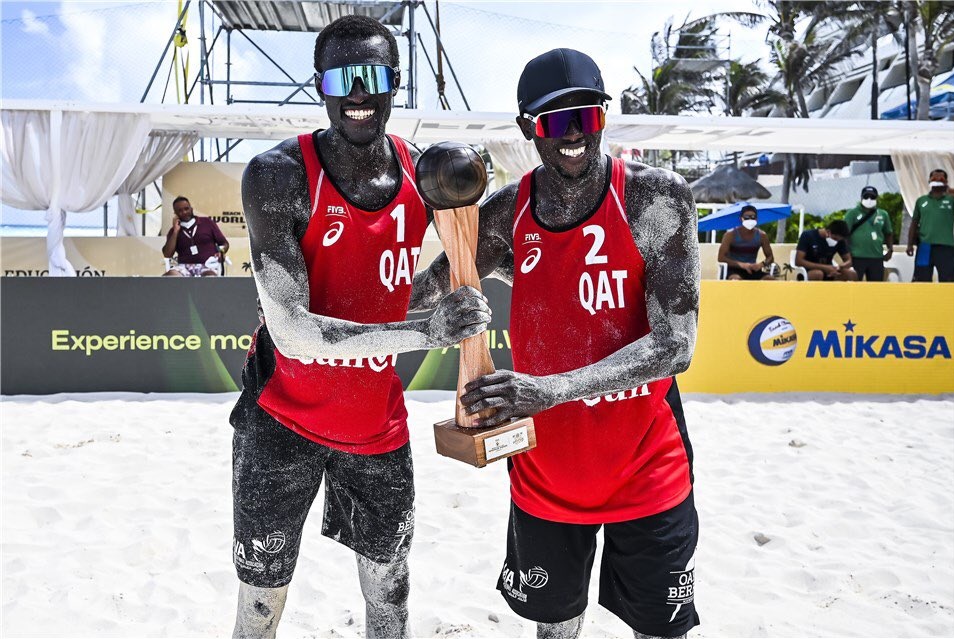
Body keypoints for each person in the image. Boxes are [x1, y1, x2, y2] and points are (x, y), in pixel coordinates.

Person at [412, 48, 700, 639]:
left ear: (604, 117)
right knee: (554, 628)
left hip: (648, 465)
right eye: (553, 122)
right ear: (527, 130)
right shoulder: (505, 215)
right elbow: (419, 292)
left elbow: (676, 348)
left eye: (586, 117)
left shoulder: (655, 198)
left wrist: (550, 390)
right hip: (546, 470)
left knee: (661, 631)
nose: (572, 135)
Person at [230, 16, 490, 639]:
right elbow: (293, 332)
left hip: (377, 428)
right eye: (340, 76)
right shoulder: (277, 175)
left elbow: (405, 285)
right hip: (281, 424)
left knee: (390, 596)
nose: (358, 92)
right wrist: (432, 331)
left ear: (396, 82)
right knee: (260, 600)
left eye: (373, 75)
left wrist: (456, 287)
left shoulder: (421, 174)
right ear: (318, 84)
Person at [907, 169, 954, 282]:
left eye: (941, 179)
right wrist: (910, 244)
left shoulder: (952, 199)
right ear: (929, 180)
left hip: (946, 247)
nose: (937, 181)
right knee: (921, 281)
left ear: (946, 182)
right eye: (934, 178)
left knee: (947, 281)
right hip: (925, 246)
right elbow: (914, 223)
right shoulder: (921, 201)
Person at [161, 196, 229, 276]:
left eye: (186, 209)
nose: (184, 212)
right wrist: (176, 231)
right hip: (184, 267)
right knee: (170, 275)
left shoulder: (207, 222)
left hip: (207, 265)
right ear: (175, 214)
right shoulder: (173, 231)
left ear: (191, 208)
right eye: (180, 211)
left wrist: (221, 252)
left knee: (210, 277)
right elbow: (167, 254)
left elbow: (225, 243)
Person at [844, 186, 894, 282]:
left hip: (876, 256)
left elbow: (889, 233)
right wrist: (847, 253)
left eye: (872, 197)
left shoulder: (883, 214)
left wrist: (890, 249)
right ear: (861, 198)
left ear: (876, 198)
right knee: (855, 285)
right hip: (857, 256)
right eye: (866, 197)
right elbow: (845, 234)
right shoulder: (852, 213)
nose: (869, 200)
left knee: (875, 286)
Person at [717, 204, 775, 280]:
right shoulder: (730, 235)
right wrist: (742, 265)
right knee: (736, 280)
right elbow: (721, 258)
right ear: (741, 219)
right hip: (734, 269)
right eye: (747, 217)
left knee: (770, 280)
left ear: (756, 219)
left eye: (753, 217)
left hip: (753, 269)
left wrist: (760, 265)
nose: (750, 219)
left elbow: (770, 257)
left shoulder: (762, 235)